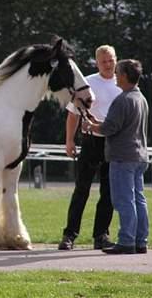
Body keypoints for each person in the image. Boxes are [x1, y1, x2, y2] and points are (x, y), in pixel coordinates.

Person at [58, 45, 122, 251]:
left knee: (108, 192)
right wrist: (69, 141)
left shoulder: (123, 83)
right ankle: (69, 235)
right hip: (90, 141)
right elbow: (73, 114)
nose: (108, 64)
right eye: (103, 61)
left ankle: (101, 235)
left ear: (116, 59)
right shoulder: (87, 83)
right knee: (81, 190)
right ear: (97, 63)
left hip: (113, 143)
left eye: (111, 60)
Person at [82, 59, 149, 254]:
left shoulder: (122, 99)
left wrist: (90, 126)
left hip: (122, 157)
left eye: (118, 73)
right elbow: (121, 124)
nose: (115, 77)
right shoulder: (140, 98)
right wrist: (98, 122)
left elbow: (109, 128)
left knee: (123, 200)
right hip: (139, 156)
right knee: (138, 199)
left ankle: (126, 241)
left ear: (125, 76)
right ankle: (140, 240)